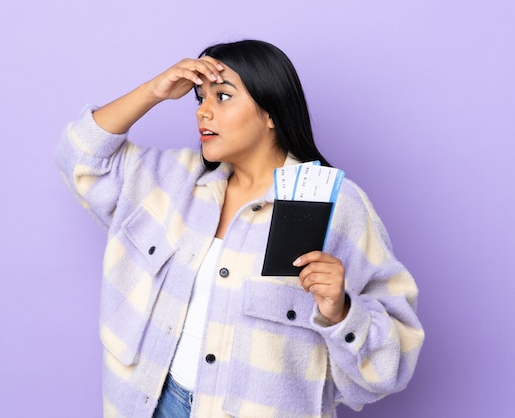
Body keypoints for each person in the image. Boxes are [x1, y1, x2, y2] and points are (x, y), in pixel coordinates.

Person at [55, 39, 424, 418]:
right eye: (200, 99)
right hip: (147, 403)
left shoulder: (335, 206)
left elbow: (391, 367)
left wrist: (342, 311)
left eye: (223, 96)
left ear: (270, 113)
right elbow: (79, 155)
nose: (203, 112)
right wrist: (154, 91)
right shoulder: (171, 180)